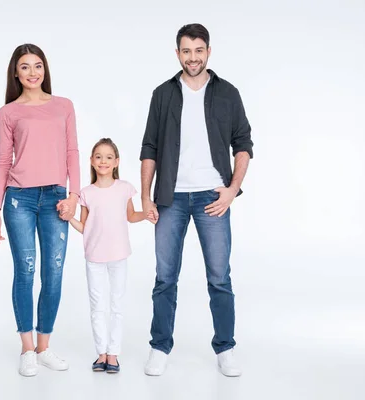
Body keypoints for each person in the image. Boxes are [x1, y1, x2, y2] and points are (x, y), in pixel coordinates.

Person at [139, 23, 253, 377]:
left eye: (198, 50)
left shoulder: (228, 93)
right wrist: (146, 196)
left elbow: (244, 144)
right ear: (177, 54)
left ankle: (225, 348)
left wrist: (232, 190)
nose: (192, 57)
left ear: (208, 52)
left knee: (220, 276)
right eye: (186, 51)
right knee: (165, 278)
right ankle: (159, 347)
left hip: (212, 196)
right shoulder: (163, 94)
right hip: (171, 197)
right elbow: (150, 147)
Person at [0, 43, 81, 377]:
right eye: (25, 67)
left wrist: (75, 196)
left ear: (45, 69)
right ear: (16, 72)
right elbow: (3, 161)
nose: (32, 72)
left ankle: (44, 346)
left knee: (53, 274)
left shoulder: (63, 106)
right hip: (19, 200)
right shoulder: (9, 112)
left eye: (37, 65)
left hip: (56, 198)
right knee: (25, 272)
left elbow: (72, 151)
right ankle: (27, 348)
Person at [70, 138, 146, 373]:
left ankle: (113, 353)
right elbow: (85, 226)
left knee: (116, 304)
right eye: (99, 156)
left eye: (108, 157)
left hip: (118, 255)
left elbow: (131, 216)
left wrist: (148, 214)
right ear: (92, 161)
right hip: (94, 256)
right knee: (97, 305)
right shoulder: (86, 193)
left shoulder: (124, 188)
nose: (103, 161)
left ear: (116, 162)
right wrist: (68, 218)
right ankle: (101, 352)